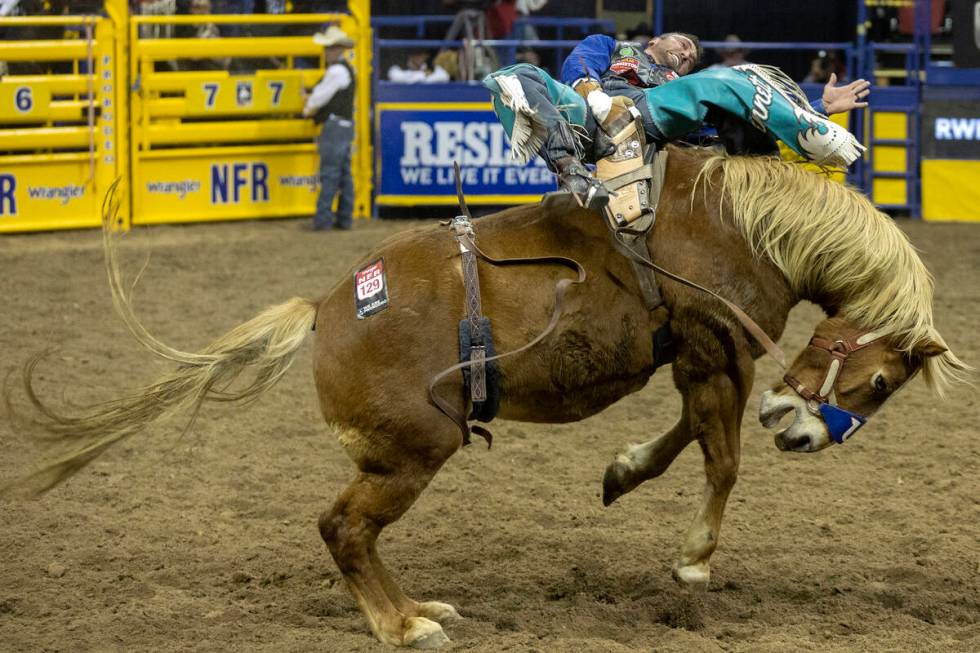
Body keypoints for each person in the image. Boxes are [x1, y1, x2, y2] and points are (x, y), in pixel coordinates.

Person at [483, 31, 871, 210]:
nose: (687, 54)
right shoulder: (612, 46)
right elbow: (579, 62)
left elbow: (739, 120)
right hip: (589, 118)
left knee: (724, 79)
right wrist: (594, 95)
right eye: (683, 44)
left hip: (651, 116)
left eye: (690, 58)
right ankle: (571, 171)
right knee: (516, 75)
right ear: (653, 42)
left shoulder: (684, 87)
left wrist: (819, 107)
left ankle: (807, 126)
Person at [303, 25, 356, 231]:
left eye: (328, 48)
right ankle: (344, 218)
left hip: (335, 127)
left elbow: (319, 96)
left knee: (331, 173)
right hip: (345, 125)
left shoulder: (336, 71)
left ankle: (323, 218)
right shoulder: (346, 69)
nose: (325, 52)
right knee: (343, 173)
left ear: (336, 49)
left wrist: (308, 108)